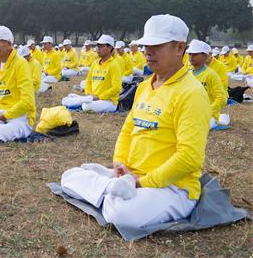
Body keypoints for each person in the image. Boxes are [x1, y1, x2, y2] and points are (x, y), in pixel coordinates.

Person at [61, 14, 211, 230]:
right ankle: (112, 183)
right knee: (68, 176)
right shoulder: (144, 87)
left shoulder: (191, 93)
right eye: (146, 45)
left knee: (122, 216)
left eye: (156, 46)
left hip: (172, 187)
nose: (148, 52)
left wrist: (142, 182)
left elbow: (189, 159)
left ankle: (108, 186)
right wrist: (119, 163)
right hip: (132, 176)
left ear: (180, 48)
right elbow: (128, 131)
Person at [62, 35, 122, 113]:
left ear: (110, 48)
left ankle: (82, 100)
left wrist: (99, 97)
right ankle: (83, 99)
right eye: (98, 46)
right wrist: (89, 94)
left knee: (86, 106)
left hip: (108, 101)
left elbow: (116, 88)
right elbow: (88, 81)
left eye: (101, 46)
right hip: (93, 98)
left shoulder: (114, 65)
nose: (98, 49)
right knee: (71, 95)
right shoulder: (95, 63)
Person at [187, 40, 228, 129]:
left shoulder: (211, 75)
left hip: (208, 116)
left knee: (193, 127)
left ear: (205, 56)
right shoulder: (188, 74)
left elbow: (222, 98)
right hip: (190, 113)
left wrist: (207, 109)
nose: (191, 57)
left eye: (195, 54)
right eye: (190, 54)